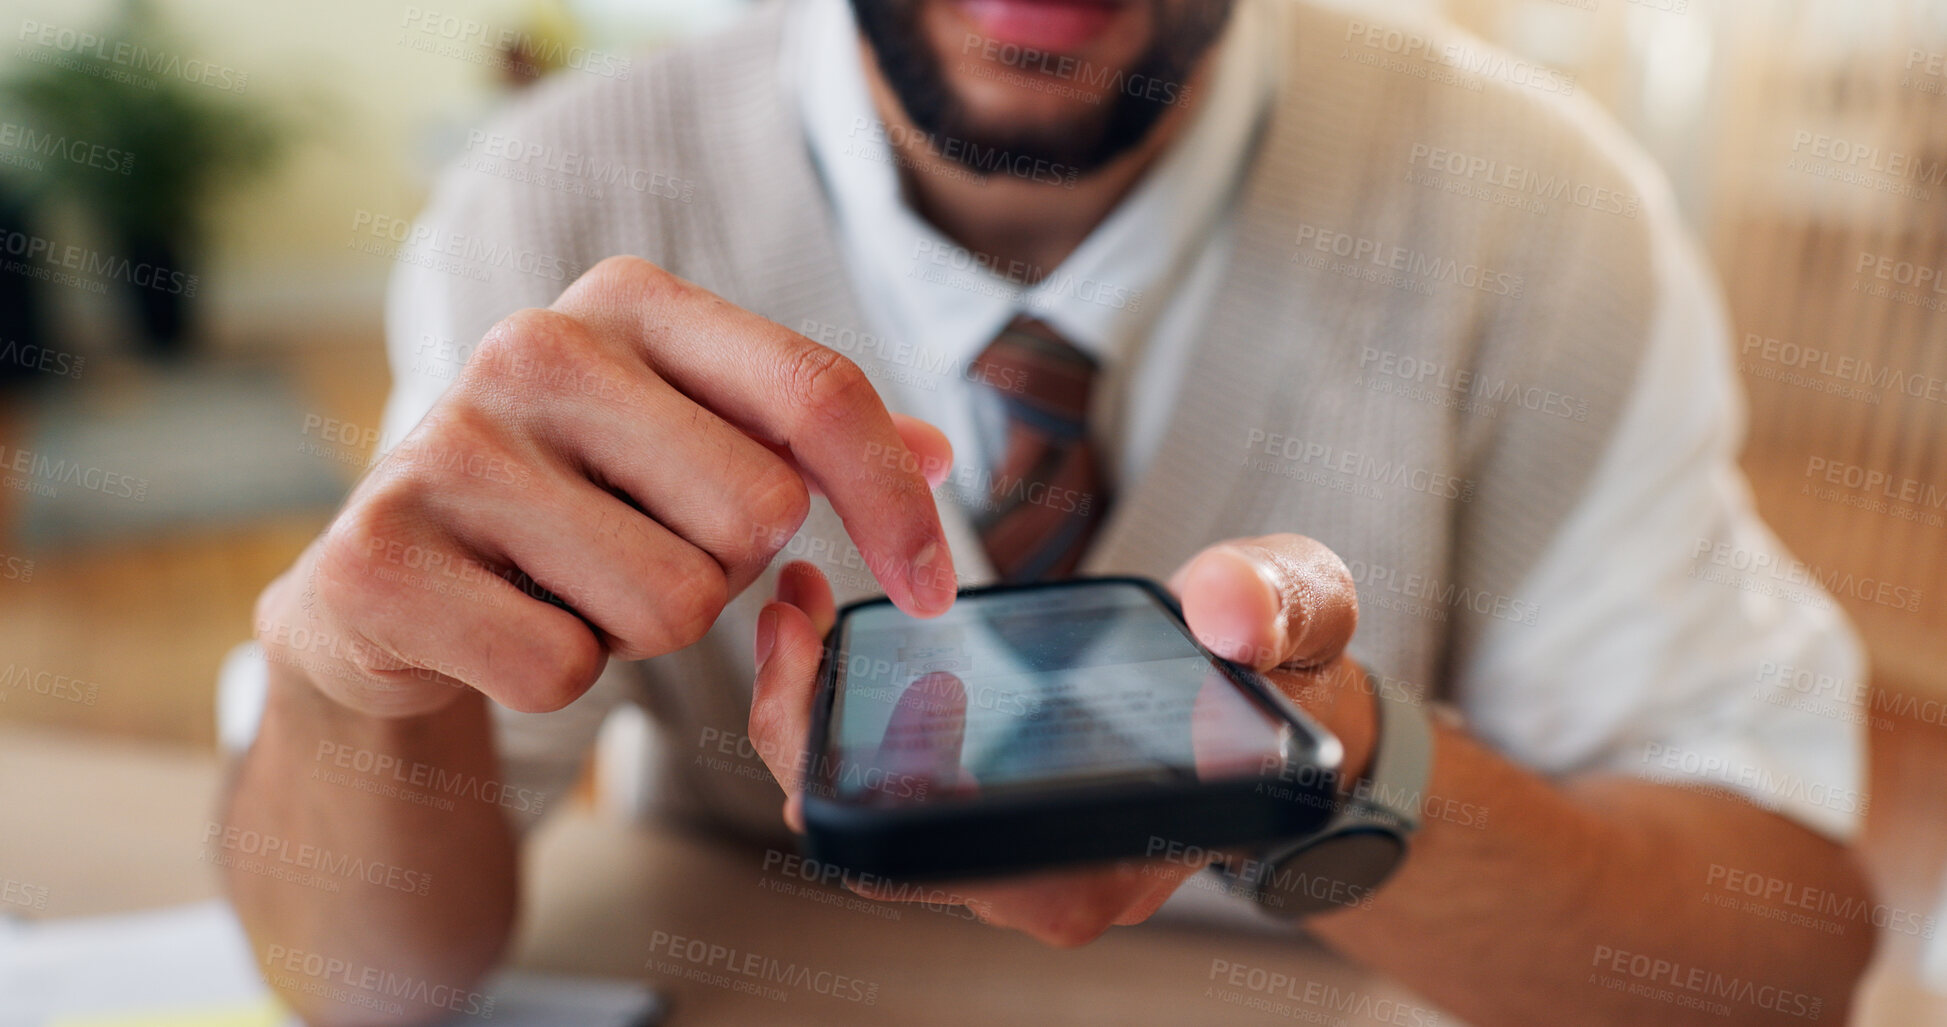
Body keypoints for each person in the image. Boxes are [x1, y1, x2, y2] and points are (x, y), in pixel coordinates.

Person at [220, 0, 1879, 1023]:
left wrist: (1344, 784)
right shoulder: (546, 209)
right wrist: (342, 684)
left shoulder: (1544, 221)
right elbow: (365, 988)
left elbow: (1774, 966)